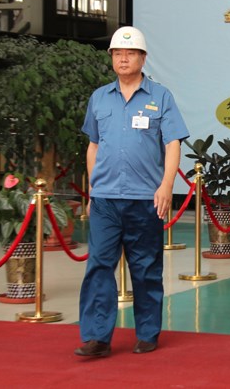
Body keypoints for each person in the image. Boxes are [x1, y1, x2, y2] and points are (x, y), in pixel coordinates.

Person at [75, 26, 189, 357]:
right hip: (105, 200)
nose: (123, 59)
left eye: (130, 53)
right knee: (99, 266)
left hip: (145, 199)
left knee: (146, 267)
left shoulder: (160, 97)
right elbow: (93, 145)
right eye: (118, 54)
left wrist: (166, 186)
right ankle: (97, 337)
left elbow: (172, 143)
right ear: (111, 57)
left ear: (142, 58)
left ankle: (148, 333)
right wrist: (93, 188)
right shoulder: (99, 97)